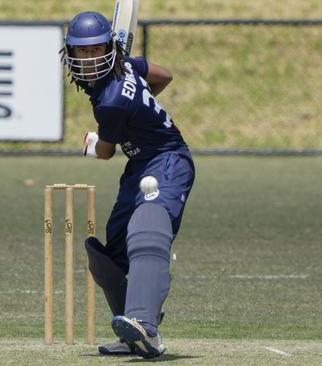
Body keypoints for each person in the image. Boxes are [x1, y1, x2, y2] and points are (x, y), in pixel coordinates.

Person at [62, 11, 195, 359]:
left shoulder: (111, 101)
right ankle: (130, 331)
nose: (89, 59)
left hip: (168, 160)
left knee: (147, 225)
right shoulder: (128, 66)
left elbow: (105, 152)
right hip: (139, 165)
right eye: (82, 52)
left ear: (109, 47)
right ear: (71, 54)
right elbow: (164, 76)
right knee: (111, 255)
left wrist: (92, 143)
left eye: (96, 50)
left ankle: (146, 327)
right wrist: (140, 93)